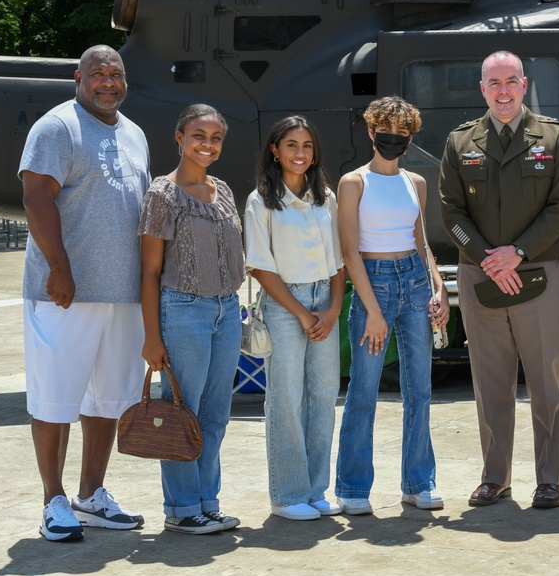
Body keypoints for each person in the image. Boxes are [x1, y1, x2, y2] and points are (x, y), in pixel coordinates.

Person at [19, 45, 150, 541]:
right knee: (55, 398)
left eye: (116, 74)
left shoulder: (134, 133)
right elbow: (35, 196)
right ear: (79, 78)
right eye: (98, 74)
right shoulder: (57, 127)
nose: (108, 82)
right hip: (64, 291)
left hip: (123, 292)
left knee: (110, 399)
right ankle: (53, 500)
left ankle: (91, 495)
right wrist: (59, 268)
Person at [439, 50, 559, 509]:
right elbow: (451, 211)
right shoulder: (461, 142)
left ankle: (549, 480)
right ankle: (495, 476)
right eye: (493, 82)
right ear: (482, 89)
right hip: (481, 275)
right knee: (491, 382)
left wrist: (516, 253)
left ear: (524, 84)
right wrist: (487, 257)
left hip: (539, 272)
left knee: (546, 382)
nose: (503, 90)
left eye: (511, 81)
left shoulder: (555, 138)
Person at [335, 96, 450, 515]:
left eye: (402, 134)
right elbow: (350, 251)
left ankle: (419, 481)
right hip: (373, 283)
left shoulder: (415, 183)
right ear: (370, 132)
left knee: (419, 390)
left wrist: (439, 288)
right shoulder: (353, 182)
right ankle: (351, 488)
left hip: (415, 282)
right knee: (363, 391)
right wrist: (374, 311)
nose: (394, 139)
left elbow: (421, 243)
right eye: (386, 131)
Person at [138, 104, 245, 534]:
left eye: (216, 137)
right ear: (179, 138)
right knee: (183, 413)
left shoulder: (223, 190)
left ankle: (207, 501)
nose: (208, 144)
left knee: (216, 414)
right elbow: (148, 270)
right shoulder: (162, 194)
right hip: (183, 311)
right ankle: (181, 509)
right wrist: (151, 337)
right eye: (199, 135)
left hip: (227, 310)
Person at [243, 116, 346, 521]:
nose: (300, 153)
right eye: (291, 145)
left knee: (323, 395)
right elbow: (261, 267)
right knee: (286, 398)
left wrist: (333, 308)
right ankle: (287, 495)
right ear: (275, 150)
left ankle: (316, 489)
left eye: (307, 145)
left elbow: (339, 259)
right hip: (286, 304)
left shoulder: (327, 198)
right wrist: (302, 313)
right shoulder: (260, 200)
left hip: (325, 298)